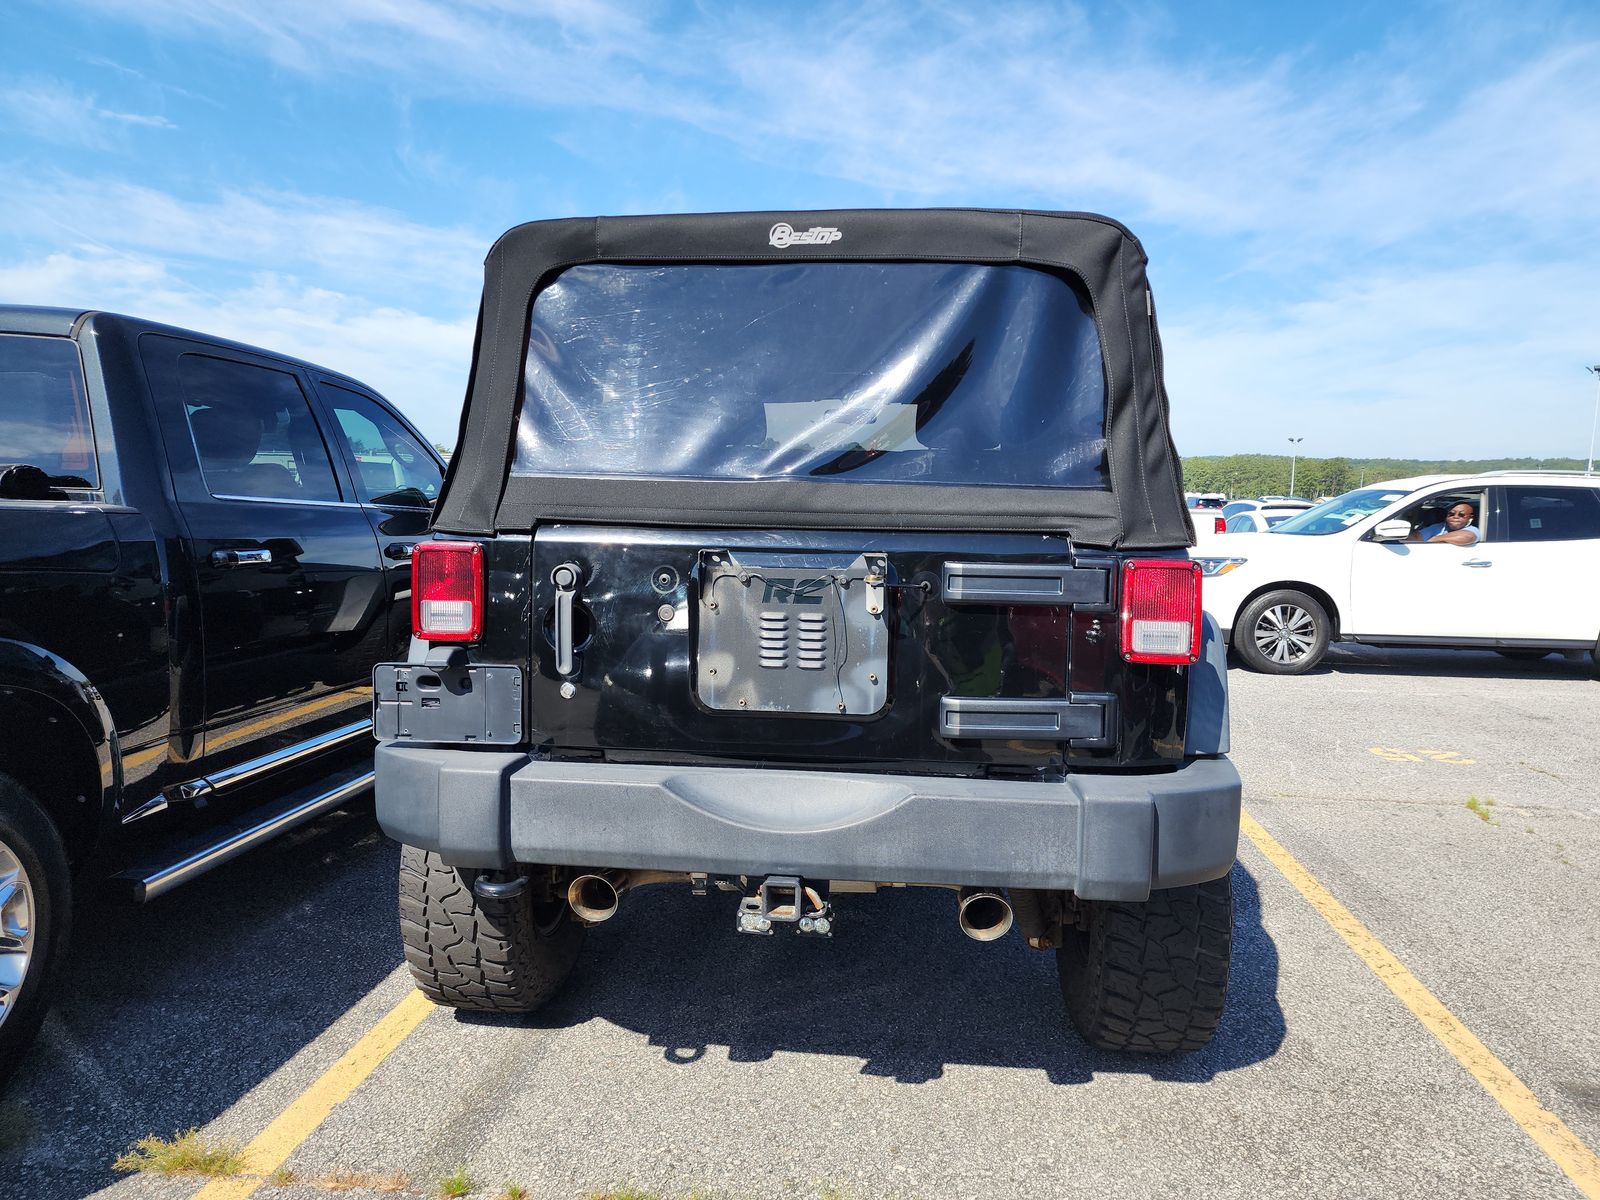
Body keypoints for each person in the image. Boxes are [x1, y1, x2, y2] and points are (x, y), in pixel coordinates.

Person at [1414, 501, 1480, 545]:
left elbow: (1468, 536)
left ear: (1470, 517)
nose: (1455, 517)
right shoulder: (1439, 527)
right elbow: (1417, 537)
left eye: (1461, 515)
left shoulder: (1473, 530)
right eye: (1451, 514)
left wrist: (1434, 539)